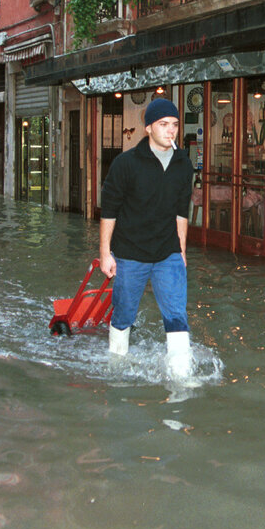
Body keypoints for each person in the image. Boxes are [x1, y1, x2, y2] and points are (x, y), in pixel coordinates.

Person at [99, 97, 195, 377]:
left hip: (168, 253)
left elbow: (181, 212)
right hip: (130, 253)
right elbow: (109, 212)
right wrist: (105, 253)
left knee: (176, 315)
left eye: (174, 124)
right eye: (163, 124)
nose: (171, 130)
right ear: (149, 128)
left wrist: (181, 251)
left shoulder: (183, 164)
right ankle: (116, 368)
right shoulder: (125, 164)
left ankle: (181, 376)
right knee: (124, 314)